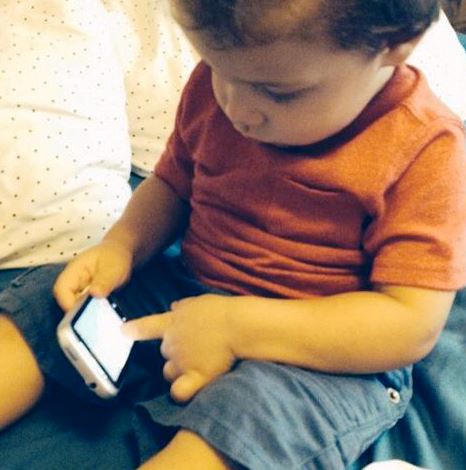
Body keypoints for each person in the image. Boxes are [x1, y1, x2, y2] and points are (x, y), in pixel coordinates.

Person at [1, 1, 465, 470]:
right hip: (183, 289)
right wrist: (123, 245)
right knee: (46, 309)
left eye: (278, 93)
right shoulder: (225, 83)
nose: (236, 110)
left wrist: (236, 327)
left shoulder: (428, 153)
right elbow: (173, 184)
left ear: (396, 43)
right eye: (216, 68)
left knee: (252, 425)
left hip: (320, 352)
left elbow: (409, 325)